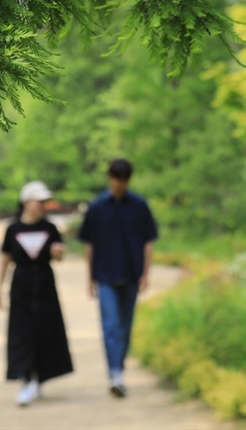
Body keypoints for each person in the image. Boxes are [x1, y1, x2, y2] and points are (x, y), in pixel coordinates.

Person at [77, 158, 159, 398]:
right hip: (105, 275)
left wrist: (146, 273)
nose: (120, 184)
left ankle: (119, 367)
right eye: (116, 179)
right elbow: (89, 245)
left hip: (131, 274)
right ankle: (115, 373)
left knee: (125, 327)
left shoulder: (139, 206)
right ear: (110, 178)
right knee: (111, 325)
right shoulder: (97, 208)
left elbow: (148, 242)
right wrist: (89, 277)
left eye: (123, 180)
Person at [0, 180, 74, 407]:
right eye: (38, 201)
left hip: (45, 287)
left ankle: (40, 377)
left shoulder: (50, 228)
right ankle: (26, 379)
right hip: (21, 287)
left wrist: (58, 253)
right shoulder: (13, 229)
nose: (41, 205)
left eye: (44, 202)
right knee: (23, 333)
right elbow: (5, 260)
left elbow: (59, 257)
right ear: (26, 202)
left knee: (45, 331)